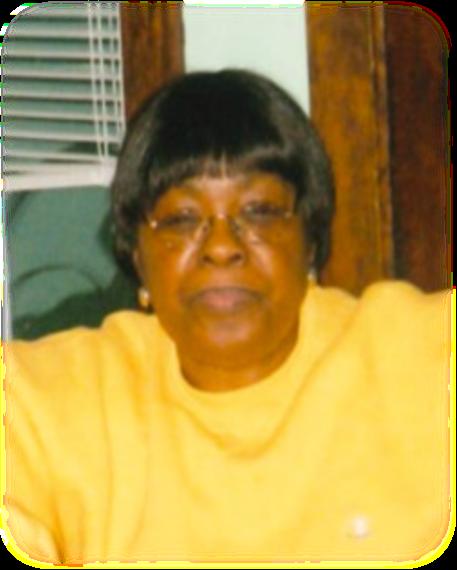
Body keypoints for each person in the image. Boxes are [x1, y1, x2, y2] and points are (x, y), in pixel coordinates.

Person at [2, 69, 451, 565]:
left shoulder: (420, 356)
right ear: (137, 256)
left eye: (259, 212)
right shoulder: (45, 399)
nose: (221, 246)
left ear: (309, 241)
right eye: (181, 219)